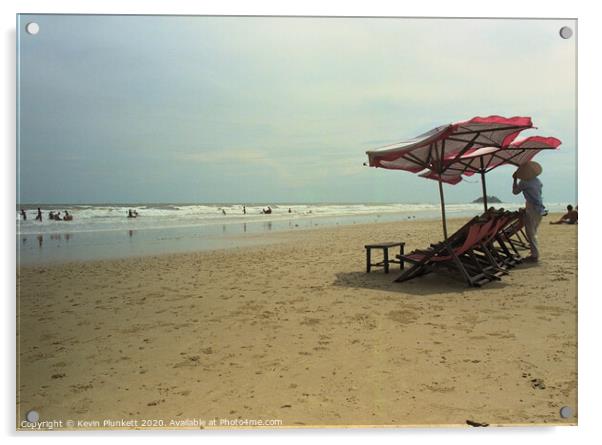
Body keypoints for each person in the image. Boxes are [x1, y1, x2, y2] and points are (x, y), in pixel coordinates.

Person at [512, 161, 545, 262]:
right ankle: (534, 252)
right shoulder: (537, 181)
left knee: (530, 233)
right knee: (533, 232)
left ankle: (534, 255)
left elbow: (515, 192)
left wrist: (514, 179)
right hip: (540, 208)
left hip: (532, 209)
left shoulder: (524, 182)